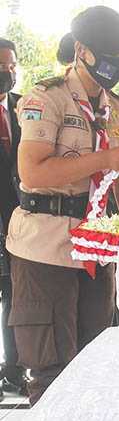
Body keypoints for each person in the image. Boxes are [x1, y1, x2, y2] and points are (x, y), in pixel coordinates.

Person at [5, 6, 119, 404]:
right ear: (82, 50)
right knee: (52, 369)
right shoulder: (45, 98)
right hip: (45, 245)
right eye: (109, 55)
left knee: (95, 359)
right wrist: (104, 159)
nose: (117, 65)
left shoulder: (118, 109)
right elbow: (32, 172)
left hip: (97, 249)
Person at [0, 38, 27, 397]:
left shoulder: (25, 108)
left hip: (19, 220)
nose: (7, 72)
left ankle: (14, 370)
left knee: (15, 297)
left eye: (11, 66)